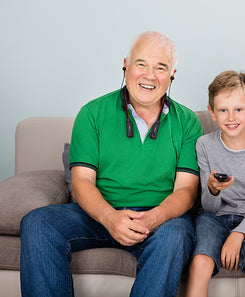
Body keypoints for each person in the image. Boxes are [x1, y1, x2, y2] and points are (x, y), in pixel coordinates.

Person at [20, 31, 203, 297]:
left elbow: (186, 191)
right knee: (37, 222)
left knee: (176, 235)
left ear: (172, 73)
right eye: (141, 64)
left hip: (159, 218)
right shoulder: (92, 113)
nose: (150, 75)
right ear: (126, 65)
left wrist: (153, 218)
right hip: (97, 214)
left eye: (160, 67)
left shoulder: (188, 122)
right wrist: (109, 217)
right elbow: (81, 181)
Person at [185, 71, 245, 297]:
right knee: (199, 263)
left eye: (238, 109)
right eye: (223, 110)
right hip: (212, 219)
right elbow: (209, 207)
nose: (231, 117)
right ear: (212, 113)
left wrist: (238, 235)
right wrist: (213, 190)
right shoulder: (204, 145)